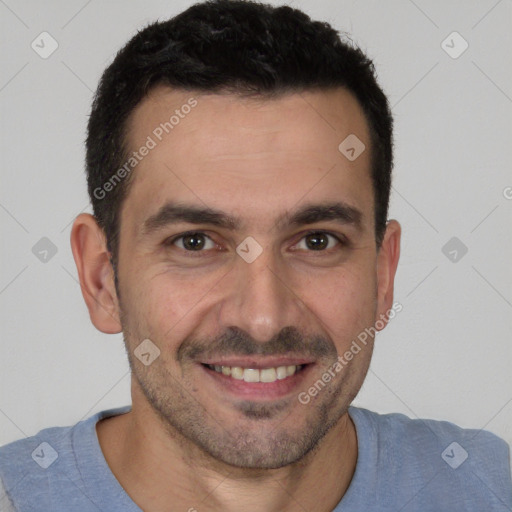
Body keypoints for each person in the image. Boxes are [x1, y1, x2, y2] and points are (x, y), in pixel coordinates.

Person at [0, 1, 510, 510]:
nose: (264, 318)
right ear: (102, 279)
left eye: (316, 241)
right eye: (195, 242)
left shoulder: (487, 486)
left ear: (382, 273)